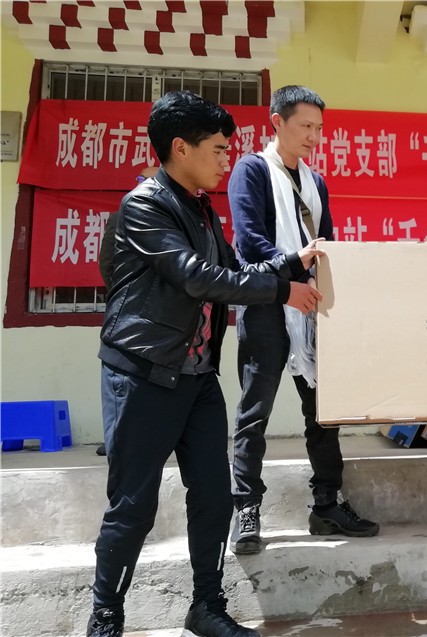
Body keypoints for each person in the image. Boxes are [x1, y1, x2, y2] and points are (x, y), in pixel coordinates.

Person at [88, 90, 324, 637]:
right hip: (143, 374)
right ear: (180, 148)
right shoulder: (145, 205)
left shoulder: (198, 207)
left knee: (215, 497)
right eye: (217, 149)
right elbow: (197, 278)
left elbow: (232, 269)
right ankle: (106, 618)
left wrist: (292, 262)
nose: (226, 159)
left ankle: (207, 607)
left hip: (196, 378)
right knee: (132, 507)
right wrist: (282, 291)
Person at [228, 85, 379, 555]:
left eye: (319, 128)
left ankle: (327, 504)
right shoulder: (251, 170)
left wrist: (322, 279)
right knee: (255, 413)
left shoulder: (316, 182)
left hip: (311, 309)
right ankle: (246, 509)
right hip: (266, 305)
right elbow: (249, 244)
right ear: (277, 122)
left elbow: (325, 245)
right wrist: (296, 266)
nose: (314, 136)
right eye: (305, 126)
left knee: (323, 413)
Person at [94, 165, 160, 458]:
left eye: (148, 180)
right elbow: (107, 264)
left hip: (163, 319)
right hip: (127, 316)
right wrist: (127, 298)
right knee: (120, 385)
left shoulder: (176, 218)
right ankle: (115, 442)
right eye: (140, 179)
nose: (142, 185)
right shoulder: (121, 215)